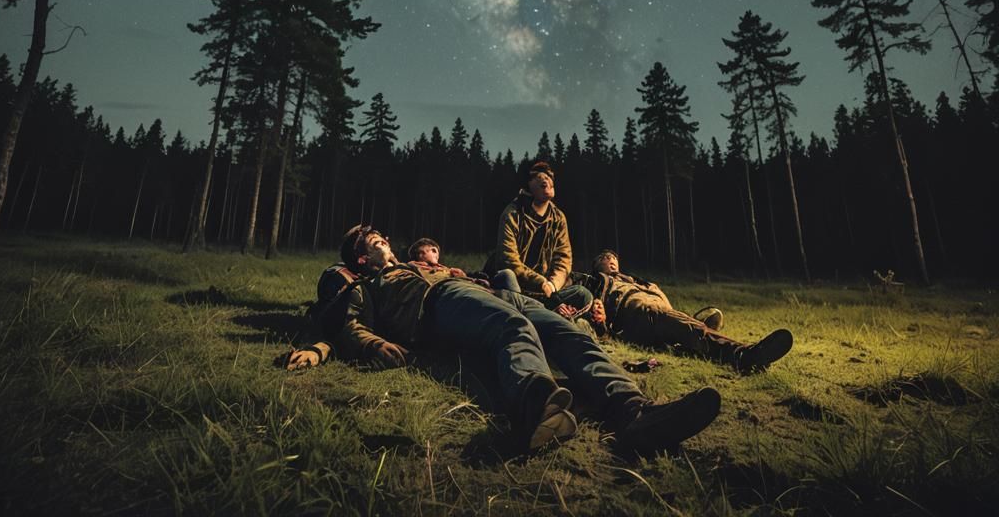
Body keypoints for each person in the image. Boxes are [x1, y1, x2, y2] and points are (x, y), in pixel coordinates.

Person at [339, 223, 722, 454]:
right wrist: (373, 344)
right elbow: (350, 324)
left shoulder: (420, 264)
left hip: (484, 290)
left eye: (382, 236)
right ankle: (536, 403)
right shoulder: (368, 285)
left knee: (566, 333)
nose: (384, 239)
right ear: (360, 257)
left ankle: (634, 411)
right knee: (512, 328)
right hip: (439, 302)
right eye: (374, 239)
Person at [576, 250, 793, 373]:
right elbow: (584, 306)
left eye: (614, 259)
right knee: (684, 326)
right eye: (606, 259)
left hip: (659, 314)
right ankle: (743, 354)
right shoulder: (594, 283)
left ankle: (704, 339)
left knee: (682, 330)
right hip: (638, 317)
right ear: (597, 265)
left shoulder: (636, 280)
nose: (612, 261)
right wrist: (601, 323)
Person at [491, 160, 592, 316]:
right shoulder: (512, 214)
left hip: (545, 292)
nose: (545, 179)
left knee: (582, 294)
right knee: (507, 277)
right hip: (516, 287)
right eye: (538, 176)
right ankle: (543, 314)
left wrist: (553, 284)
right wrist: (540, 282)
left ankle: (544, 312)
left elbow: (563, 259)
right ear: (527, 186)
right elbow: (508, 260)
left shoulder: (558, 218)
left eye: (548, 175)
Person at [409, 236, 521, 294]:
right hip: (467, 290)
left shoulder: (447, 269)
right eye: (422, 252)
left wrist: (467, 276)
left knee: (506, 273)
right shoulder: (416, 268)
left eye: (435, 251)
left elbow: (470, 277)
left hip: (480, 284)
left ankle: (518, 301)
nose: (434, 254)